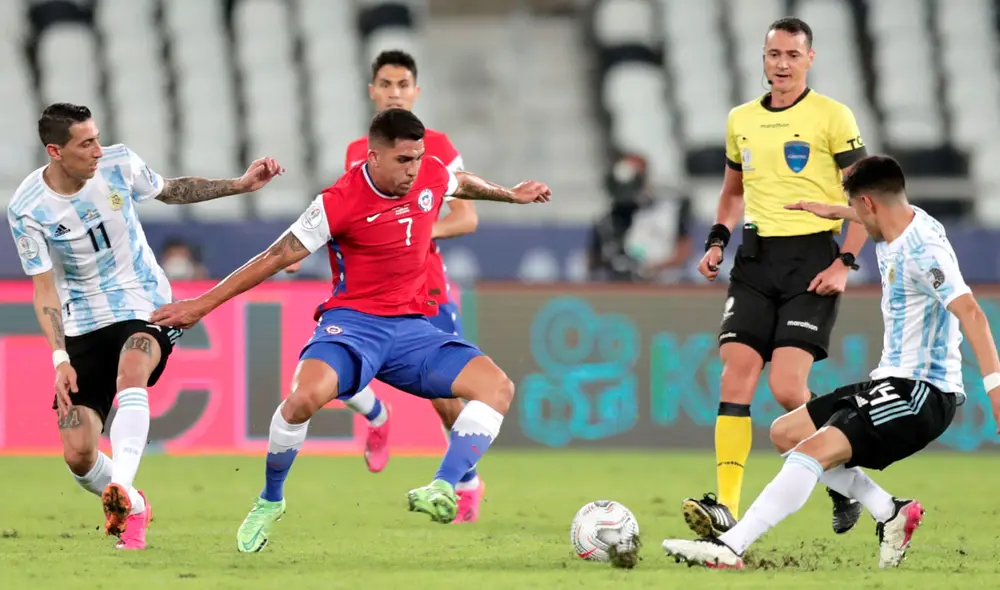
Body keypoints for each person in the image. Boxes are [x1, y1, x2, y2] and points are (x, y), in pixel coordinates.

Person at [149, 108, 550, 553]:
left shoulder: (430, 172)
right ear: (373, 157)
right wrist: (200, 306)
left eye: (417, 158)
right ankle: (270, 499)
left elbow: (462, 182)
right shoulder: (338, 201)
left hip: (413, 328)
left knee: (497, 387)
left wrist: (511, 195)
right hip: (354, 325)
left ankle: (443, 485)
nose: (413, 169)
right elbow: (274, 256)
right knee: (303, 398)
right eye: (403, 161)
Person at [663, 155, 1000, 569]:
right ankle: (889, 510)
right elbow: (876, 211)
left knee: (813, 451)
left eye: (855, 211)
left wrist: (995, 390)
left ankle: (730, 546)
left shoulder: (924, 251)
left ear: (869, 205)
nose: (852, 224)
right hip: (890, 382)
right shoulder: (908, 218)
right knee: (787, 432)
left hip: (921, 394)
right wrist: (835, 210)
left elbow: (973, 313)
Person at [6, 103, 283, 549]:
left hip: (145, 304)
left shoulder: (118, 163)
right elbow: (44, 290)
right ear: (55, 151)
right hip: (83, 320)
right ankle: (133, 503)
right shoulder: (28, 208)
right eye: (85, 143)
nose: (97, 150)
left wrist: (240, 184)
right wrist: (60, 358)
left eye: (97, 138)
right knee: (77, 454)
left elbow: (171, 190)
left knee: (133, 365)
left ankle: (122, 484)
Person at [684, 17, 871, 538]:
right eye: (773, 55)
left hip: (812, 260)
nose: (782, 64)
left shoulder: (832, 116)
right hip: (755, 260)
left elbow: (864, 200)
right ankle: (725, 508)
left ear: (810, 59)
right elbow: (731, 192)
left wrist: (844, 263)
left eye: (792, 55)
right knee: (734, 374)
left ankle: (842, 483)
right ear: (762, 59)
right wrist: (717, 243)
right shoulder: (741, 119)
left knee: (789, 388)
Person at [341, 50, 485, 522]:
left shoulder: (438, 146)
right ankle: (377, 417)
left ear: (416, 92)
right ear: (373, 91)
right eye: (386, 83)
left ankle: (465, 485)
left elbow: (465, 217)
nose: (395, 92)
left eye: (404, 84)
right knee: (332, 367)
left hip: (425, 288)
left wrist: (418, 230)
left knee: (446, 401)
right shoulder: (356, 151)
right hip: (369, 287)